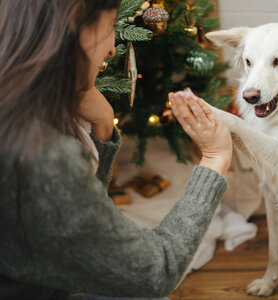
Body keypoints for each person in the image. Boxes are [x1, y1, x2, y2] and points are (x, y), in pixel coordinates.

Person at [0, 1, 233, 300]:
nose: (112, 49)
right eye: (111, 26)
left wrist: (103, 129)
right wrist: (215, 159)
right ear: (75, 25)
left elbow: (78, 229)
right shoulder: (41, 155)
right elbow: (154, 271)